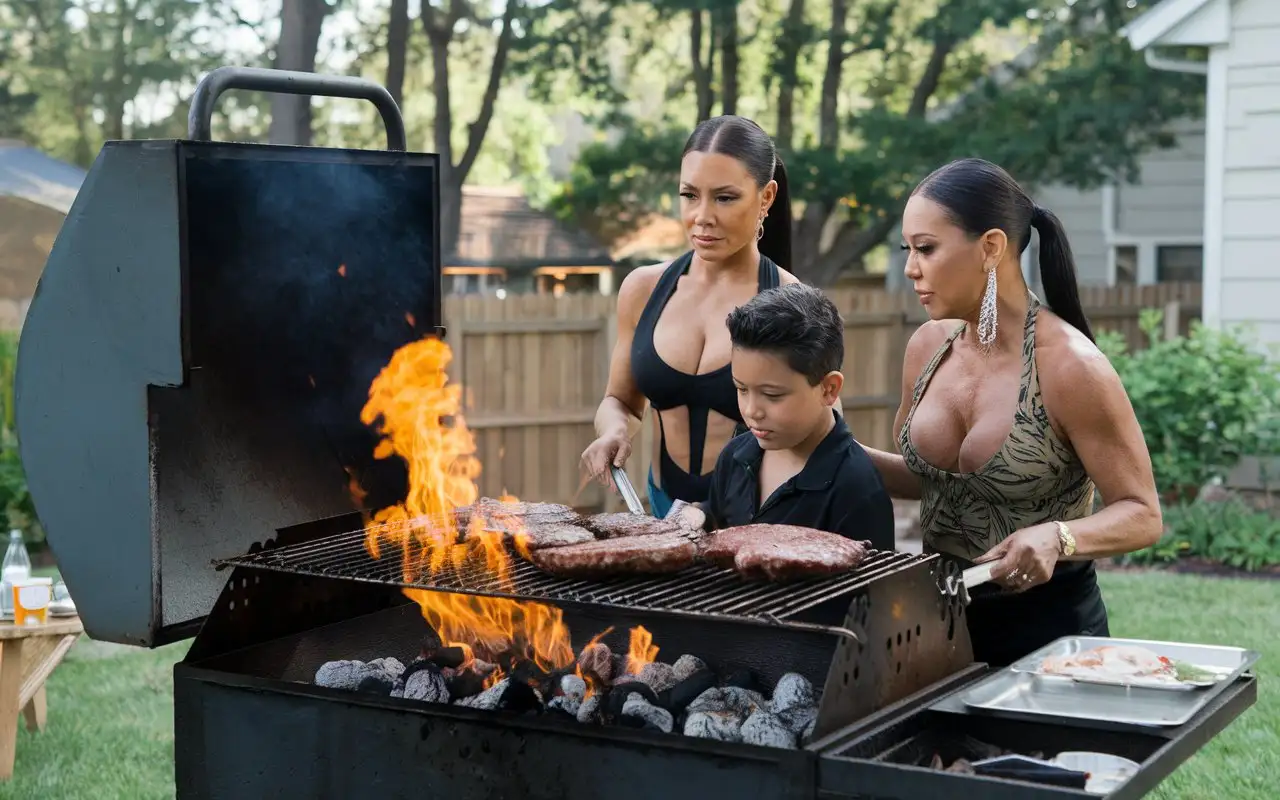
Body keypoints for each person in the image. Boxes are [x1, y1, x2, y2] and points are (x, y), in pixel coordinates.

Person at [863, 157, 1163, 667]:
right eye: (907, 250)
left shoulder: (1070, 368)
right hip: (938, 624)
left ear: (991, 247)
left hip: (1048, 636)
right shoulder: (927, 348)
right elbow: (929, 481)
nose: (911, 268)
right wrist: (821, 440)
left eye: (926, 249)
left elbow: (1143, 514)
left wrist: (1060, 535)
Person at [581, 115, 806, 518]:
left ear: (766, 197)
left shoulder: (793, 305)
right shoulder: (643, 289)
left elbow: (817, 441)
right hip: (662, 509)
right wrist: (614, 430)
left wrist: (712, 513)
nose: (702, 215)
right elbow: (621, 401)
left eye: (724, 197)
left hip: (756, 518)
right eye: (689, 195)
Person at [691, 284, 895, 551]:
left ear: (828, 389)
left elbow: (874, 590)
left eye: (772, 395)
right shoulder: (734, 458)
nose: (752, 410)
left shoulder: (856, 490)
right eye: (741, 389)